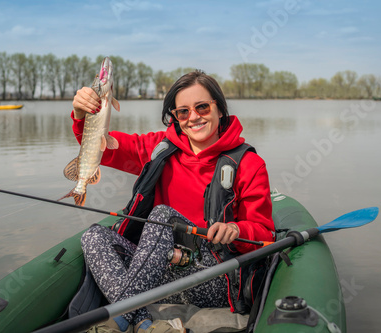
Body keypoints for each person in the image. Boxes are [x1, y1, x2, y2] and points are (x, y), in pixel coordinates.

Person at [70, 70, 274, 333]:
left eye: (202, 107)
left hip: (212, 277)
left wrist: (236, 229)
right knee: (94, 237)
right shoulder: (160, 148)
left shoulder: (249, 164)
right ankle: (144, 323)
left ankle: (116, 320)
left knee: (163, 215)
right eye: (183, 112)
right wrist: (80, 114)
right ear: (175, 117)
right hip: (156, 273)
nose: (194, 117)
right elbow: (99, 148)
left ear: (219, 109)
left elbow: (265, 234)